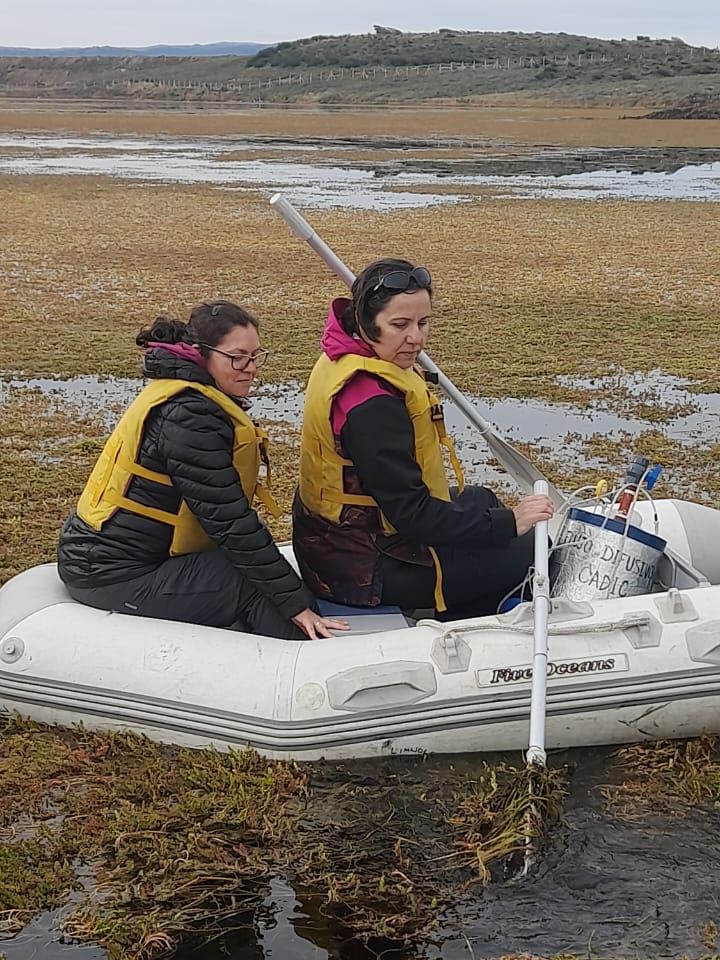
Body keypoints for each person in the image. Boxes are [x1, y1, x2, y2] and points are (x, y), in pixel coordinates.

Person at [57, 299, 347, 640]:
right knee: (250, 586)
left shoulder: (192, 397)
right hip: (112, 571)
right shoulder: (189, 417)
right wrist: (296, 605)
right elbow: (228, 520)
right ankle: (305, 664)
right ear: (201, 353)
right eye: (237, 357)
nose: (250, 368)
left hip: (118, 556)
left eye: (256, 356)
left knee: (252, 577)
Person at [293, 259, 555, 619]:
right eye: (399, 325)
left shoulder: (343, 354)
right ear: (366, 321)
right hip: (361, 570)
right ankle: (457, 624)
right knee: (533, 547)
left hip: (337, 543)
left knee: (482, 498)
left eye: (422, 323)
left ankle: (462, 607)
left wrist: (498, 520)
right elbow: (413, 515)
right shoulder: (371, 406)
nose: (415, 337)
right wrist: (510, 522)